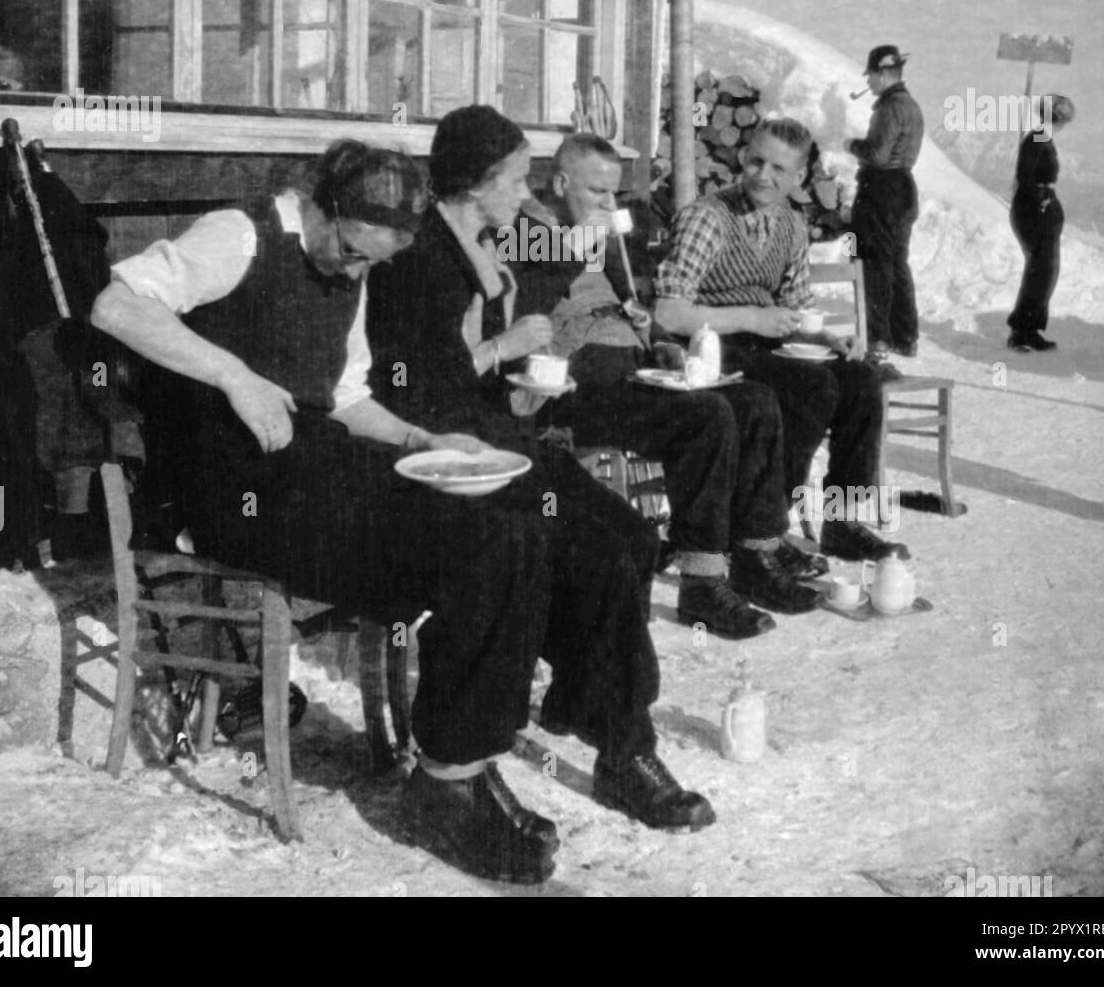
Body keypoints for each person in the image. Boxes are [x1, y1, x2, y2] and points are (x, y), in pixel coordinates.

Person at [90, 138, 710, 889]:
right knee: (491, 541)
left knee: (579, 531)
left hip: (319, 464)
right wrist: (234, 377)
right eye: (351, 251)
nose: (355, 272)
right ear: (324, 204)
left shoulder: (350, 264)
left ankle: (621, 738)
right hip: (233, 488)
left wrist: (423, 438)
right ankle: (450, 779)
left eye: (370, 262)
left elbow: (346, 397)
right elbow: (116, 304)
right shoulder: (241, 234)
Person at [364, 110, 716, 841]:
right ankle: (569, 743)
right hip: (437, 451)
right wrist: (502, 351)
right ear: (477, 182)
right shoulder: (417, 254)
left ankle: (619, 735)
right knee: (553, 545)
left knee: (622, 535)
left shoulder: (487, 240)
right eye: (517, 177)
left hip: (498, 429)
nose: (525, 191)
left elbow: (482, 370)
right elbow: (412, 385)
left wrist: (524, 382)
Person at [509, 132, 826, 640]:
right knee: (707, 416)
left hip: (625, 363)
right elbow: (524, 299)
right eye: (597, 192)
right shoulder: (524, 225)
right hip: (571, 380)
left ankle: (756, 552)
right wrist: (573, 247)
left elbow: (629, 300)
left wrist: (656, 338)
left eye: (614, 193)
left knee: (755, 401)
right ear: (561, 181)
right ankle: (701, 585)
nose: (609, 204)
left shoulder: (597, 230)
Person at [654, 117, 907, 563]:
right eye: (755, 161)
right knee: (812, 387)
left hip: (766, 345)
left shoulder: (791, 222)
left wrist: (830, 338)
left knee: (860, 379)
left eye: (777, 169)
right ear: (741, 157)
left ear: (799, 178)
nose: (762, 176)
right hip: (709, 348)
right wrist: (751, 315)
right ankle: (765, 526)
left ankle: (842, 521)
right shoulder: (707, 218)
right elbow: (669, 312)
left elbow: (795, 304)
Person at [843, 44, 925, 370]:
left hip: (881, 190)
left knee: (874, 264)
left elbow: (876, 154)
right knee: (897, 262)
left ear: (882, 73)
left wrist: (851, 144)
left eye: (872, 76)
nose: (870, 82)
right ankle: (905, 336)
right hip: (904, 189)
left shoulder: (889, 108)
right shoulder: (912, 106)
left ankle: (876, 336)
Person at [1007, 95, 1075, 351]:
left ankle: (1029, 328)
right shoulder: (1038, 137)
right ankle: (1023, 330)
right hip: (1034, 210)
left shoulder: (1041, 137)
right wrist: (1041, 201)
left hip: (1036, 207)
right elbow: (1026, 175)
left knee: (1043, 270)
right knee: (1042, 270)